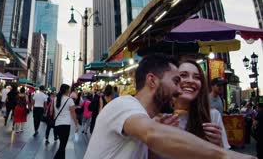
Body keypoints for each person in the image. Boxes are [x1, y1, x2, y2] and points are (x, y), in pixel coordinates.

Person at [84, 53, 254, 159]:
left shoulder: (151, 119)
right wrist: (225, 155)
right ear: (152, 80)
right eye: (176, 81)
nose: (180, 89)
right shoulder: (124, 104)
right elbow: (152, 134)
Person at [53, 84, 78, 159]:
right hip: (65, 125)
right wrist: (76, 124)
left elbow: (54, 112)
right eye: (69, 89)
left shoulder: (55, 99)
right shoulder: (69, 100)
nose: (70, 90)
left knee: (62, 145)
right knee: (62, 146)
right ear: (67, 90)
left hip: (57, 125)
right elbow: (73, 113)